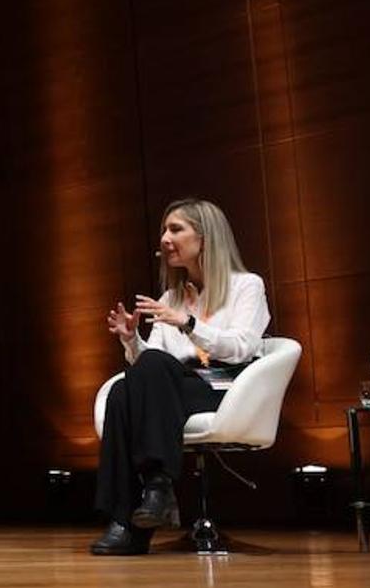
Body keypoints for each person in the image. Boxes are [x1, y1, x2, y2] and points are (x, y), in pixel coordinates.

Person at [90, 198, 271, 555]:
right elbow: (151, 365)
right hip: (172, 389)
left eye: (176, 229)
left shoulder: (247, 285)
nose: (164, 238)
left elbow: (242, 347)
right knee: (123, 392)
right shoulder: (170, 297)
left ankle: (130, 518)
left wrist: (188, 324)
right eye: (164, 230)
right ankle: (151, 498)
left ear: (205, 238)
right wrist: (131, 339)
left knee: (134, 388)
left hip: (224, 389)